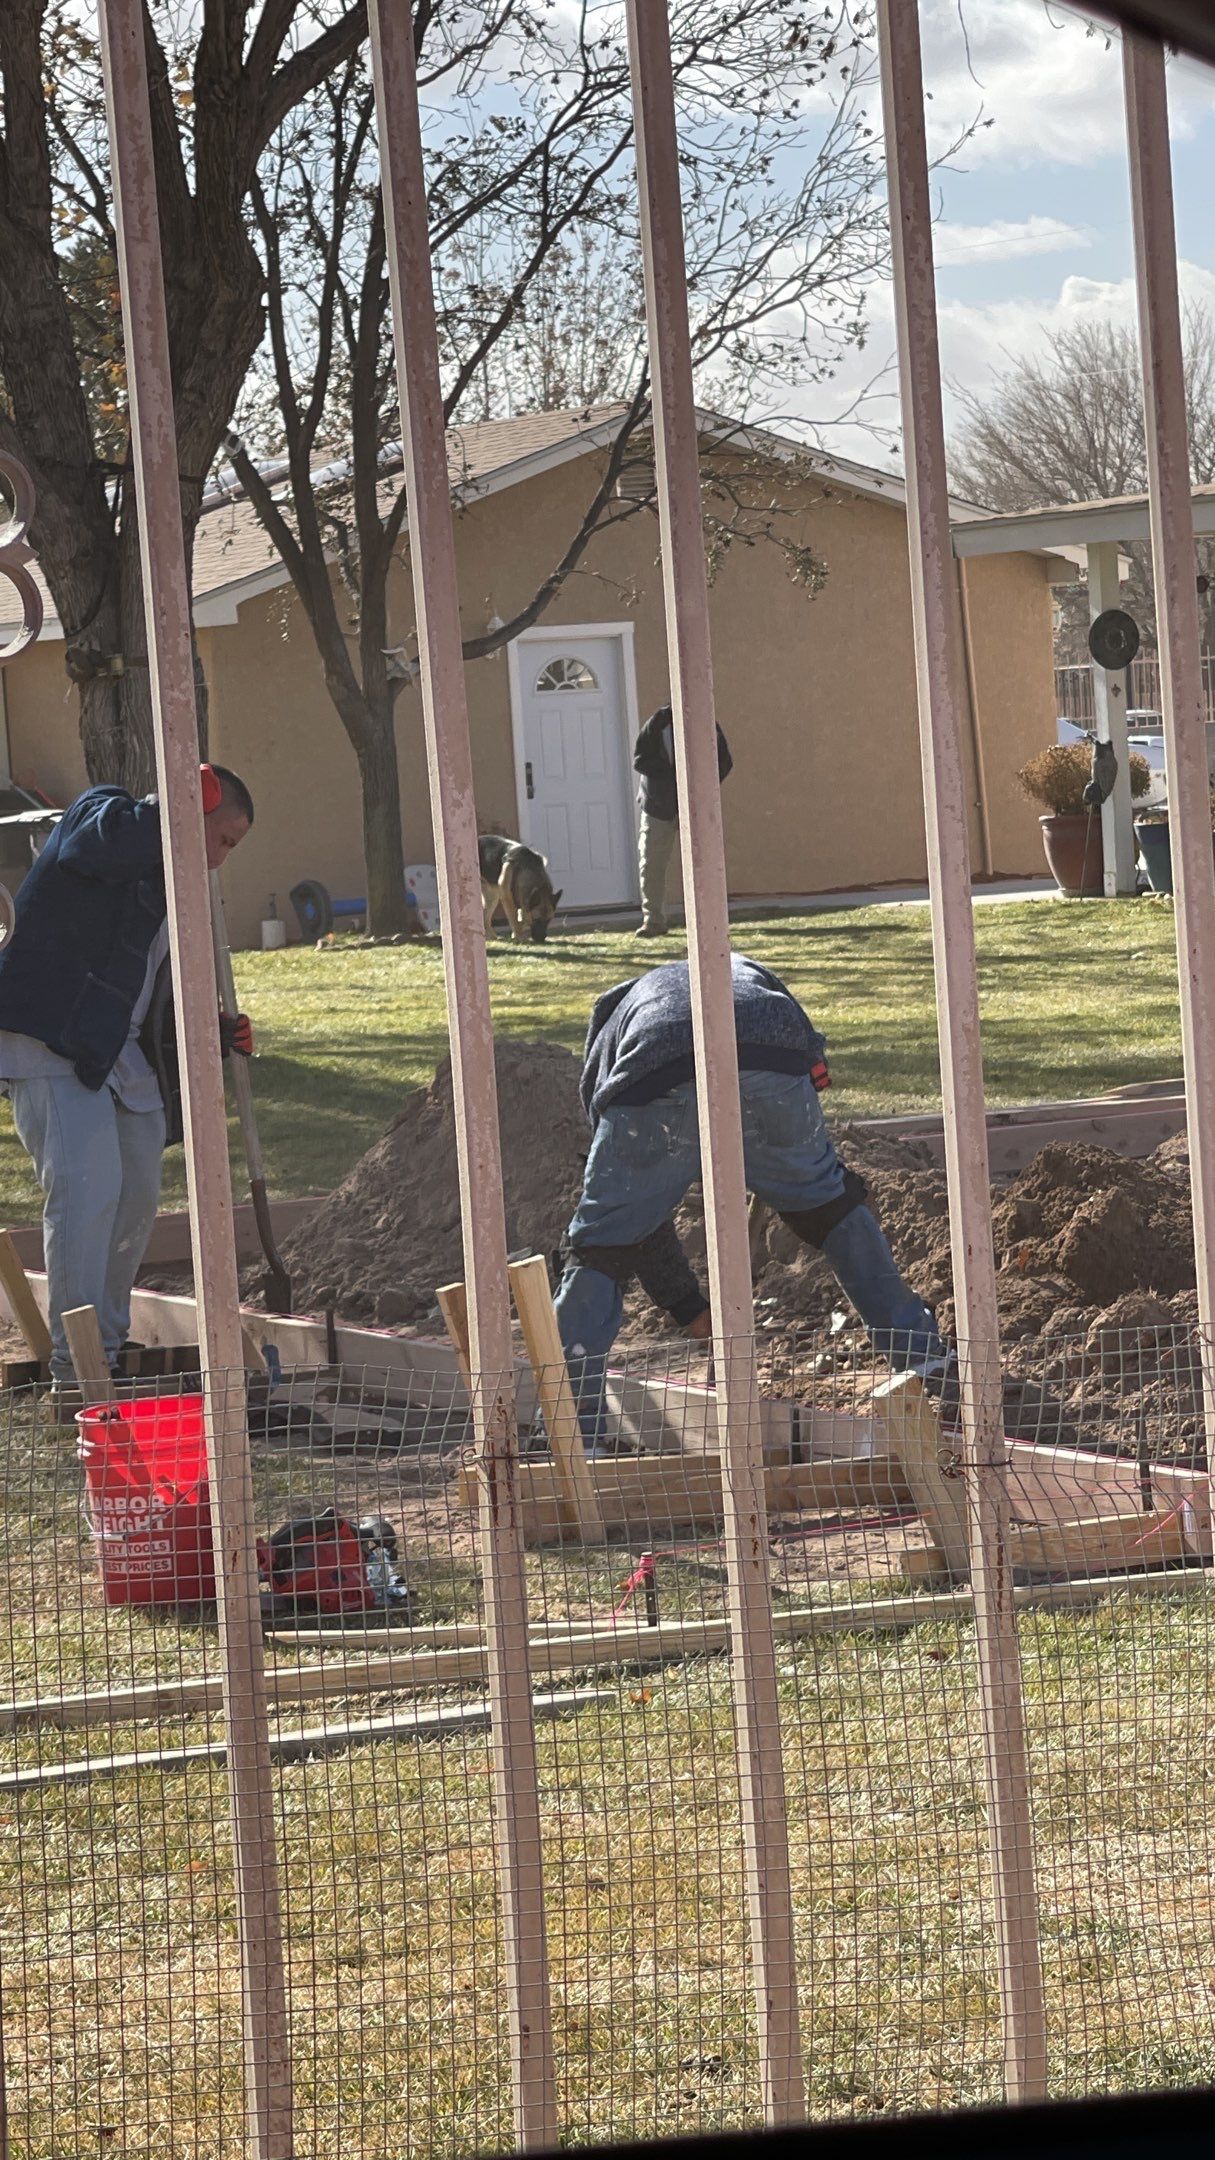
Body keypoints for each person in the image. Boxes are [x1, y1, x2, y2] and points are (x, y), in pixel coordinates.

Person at [553, 953, 948, 1452]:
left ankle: (573, 1432)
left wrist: (685, 1306)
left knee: (601, 1248)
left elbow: (635, 1228)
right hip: (773, 1064)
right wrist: (692, 1308)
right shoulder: (744, 973)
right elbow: (809, 1056)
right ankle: (928, 1362)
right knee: (832, 1208)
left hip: (659, 1075)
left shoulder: (618, 1037)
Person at [0, 764, 256, 1390]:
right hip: (49, 1036)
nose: (219, 859)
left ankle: (107, 1349)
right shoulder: (100, 815)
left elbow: (148, 989)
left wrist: (214, 1031)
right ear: (192, 809)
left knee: (136, 1192)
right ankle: (78, 1371)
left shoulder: (176, 889)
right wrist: (177, 803)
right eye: (221, 838)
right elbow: (105, 845)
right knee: (86, 1193)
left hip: (111, 1049)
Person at [632, 703, 732, 937]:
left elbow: (725, 762)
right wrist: (672, 775)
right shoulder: (658, 723)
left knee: (706, 862)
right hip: (658, 805)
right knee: (652, 863)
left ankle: (709, 921)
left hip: (696, 806)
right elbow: (640, 760)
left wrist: (703, 787)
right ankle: (653, 921)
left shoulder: (706, 723)